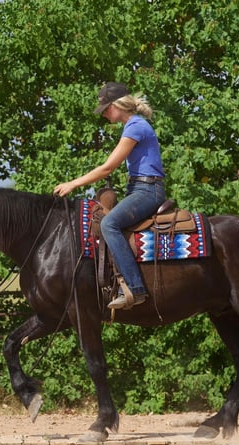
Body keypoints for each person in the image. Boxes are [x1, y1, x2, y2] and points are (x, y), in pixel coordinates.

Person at [54, 82, 166, 310]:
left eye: (106, 108)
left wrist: (73, 184)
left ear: (118, 105)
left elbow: (107, 168)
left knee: (109, 224)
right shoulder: (132, 126)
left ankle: (136, 289)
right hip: (138, 189)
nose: (104, 114)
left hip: (147, 191)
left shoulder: (135, 126)